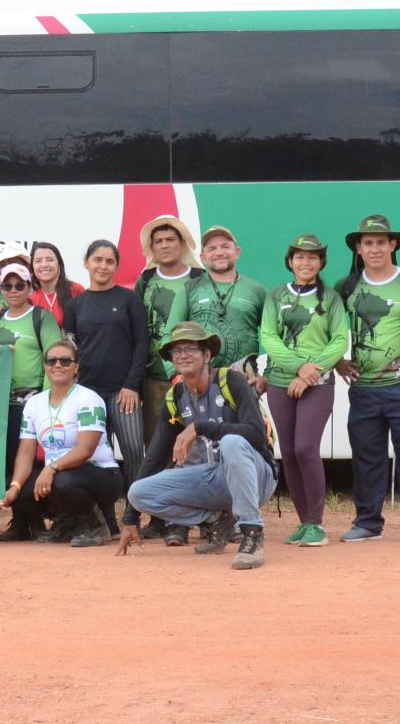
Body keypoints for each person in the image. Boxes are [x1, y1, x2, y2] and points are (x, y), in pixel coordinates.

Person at [118, 322, 276, 571]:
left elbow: (257, 435)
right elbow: (156, 456)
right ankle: (219, 520)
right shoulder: (176, 396)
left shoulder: (231, 381)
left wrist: (201, 427)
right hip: (215, 478)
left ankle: (251, 533)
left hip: (258, 477)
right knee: (138, 492)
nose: (182, 355)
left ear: (207, 355)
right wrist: (131, 516)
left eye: (191, 348)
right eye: (176, 350)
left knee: (232, 443)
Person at [334, 214, 400, 546]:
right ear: (358, 248)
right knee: (367, 458)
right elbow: (331, 331)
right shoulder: (346, 287)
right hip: (364, 389)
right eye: (368, 243)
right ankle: (368, 521)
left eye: (381, 242)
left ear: (393, 245)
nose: (375, 248)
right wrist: (337, 361)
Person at [259, 234, 349, 549]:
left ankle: (317, 524)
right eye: (299, 257)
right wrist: (298, 366)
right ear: (290, 261)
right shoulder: (275, 295)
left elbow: (340, 340)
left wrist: (311, 372)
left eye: (312, 257)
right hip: (281, 382)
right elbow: (268, 337)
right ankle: (303, 522)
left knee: (305, 448)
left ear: (321, 262)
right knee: (289, 453)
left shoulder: (332, 299)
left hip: (318, 384)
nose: (305, 262)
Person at [59, 238, 149, 531]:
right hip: (88, 394)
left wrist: (132, 385)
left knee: (134, 450)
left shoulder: (129, 299)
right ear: (86, 262)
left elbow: (141, 344)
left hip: (124, 391)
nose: (103, 266)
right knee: (98, 456)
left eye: (110, 261)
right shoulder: (75, 305)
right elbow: (70, 350)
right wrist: (75, 392)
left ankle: (133, 516)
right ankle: (106, 517)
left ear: (116, 266)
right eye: (98, 260)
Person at [1, 337, 123, 546]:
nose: (58, 365)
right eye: (51, 361)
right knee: (20, 492)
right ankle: (68, 523)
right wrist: (15, 485)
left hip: (101, 474)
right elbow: (26, 452)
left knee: (61, 482)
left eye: (65, 361)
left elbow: (85, 449)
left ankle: (97, 526)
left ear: (76, 367)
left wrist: (51, 469)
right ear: (46, 367)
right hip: (61, 474)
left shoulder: (88, 398)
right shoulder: (34, 403)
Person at [0, 249, 63, 538]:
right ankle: (19, 521)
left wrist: (45, 399)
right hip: (3, 403)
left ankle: (37, 520)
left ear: (30, 287)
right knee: (8, 461)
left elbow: (53, 357)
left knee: (34, 461)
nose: (13, 291)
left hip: (33, 401)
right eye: (7, 285)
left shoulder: (42, 318)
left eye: (19, 285)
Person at [133, 214, 202, 537]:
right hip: (154, 378)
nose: (164, 246)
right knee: (157, 448)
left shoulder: (200, 278)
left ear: (182, 244)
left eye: (170, 240)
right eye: (158, 241)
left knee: (193, 449)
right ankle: (159, 518)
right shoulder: (145, 281)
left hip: (191, 379)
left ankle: (189, 519)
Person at [186, 225, 268, 382]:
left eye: (225, 246)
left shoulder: (257, 290)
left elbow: (274, 336)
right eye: (212, 248)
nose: (219, 252)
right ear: (202, 257)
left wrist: (267, 377)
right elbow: (171, 332)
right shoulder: (190, 289)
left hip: (245, 380)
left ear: (237, 252)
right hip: (200, 380)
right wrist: (176, 374)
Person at [29, 241, 80, 325]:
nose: (44, 265)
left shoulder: (75, 289)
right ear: (32, 266)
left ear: (59, 264)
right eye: (38, 261)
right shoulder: (30, 299)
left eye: (50, 260)